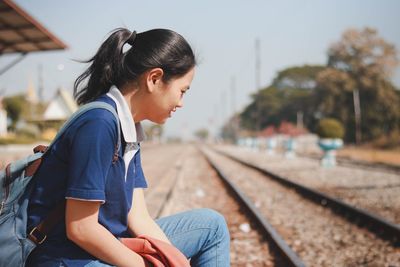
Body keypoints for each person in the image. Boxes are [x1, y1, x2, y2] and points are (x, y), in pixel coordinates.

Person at [26, 28, 230, 267]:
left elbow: (138, 215)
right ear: (154, 78)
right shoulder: (99, 125)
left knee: (211, 226)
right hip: (66, 258)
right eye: (182, 91)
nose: (181, 103)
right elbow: (81, 228)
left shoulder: (129, 128)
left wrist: (171, 259)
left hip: (102, 246)